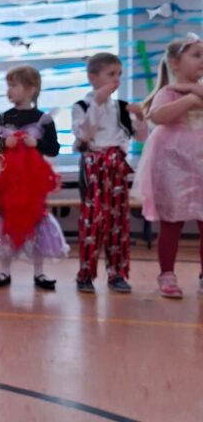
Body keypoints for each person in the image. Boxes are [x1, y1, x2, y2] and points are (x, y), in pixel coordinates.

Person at [131, 34, 203, 297]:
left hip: (200, 164)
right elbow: (158, 116)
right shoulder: (168, 92)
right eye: (196, 55)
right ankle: (167, 274)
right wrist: (190, 100)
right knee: (172, 222)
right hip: (174, 165)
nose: (202, 61)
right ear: (174, 63)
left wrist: (193, 90)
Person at [71, 52, 148, 294]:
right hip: (94, 166)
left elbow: (141, 137)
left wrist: (140, 117)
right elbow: (85, 134)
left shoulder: (122, 107)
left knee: (118, 220)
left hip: (116, 166)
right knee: (93, 220)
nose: (116, 79)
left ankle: (117, 274)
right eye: (111, 74)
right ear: (92, 78)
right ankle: (85, 274)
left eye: (119, 74)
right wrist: (97, 103)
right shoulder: (81, 106)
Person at [0, 66, 68, 290]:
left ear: (31, 89)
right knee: (7, 220)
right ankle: (4, 270)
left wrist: (37, 143)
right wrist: (4, 143)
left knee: (36, 221)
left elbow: (53, 149)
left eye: (14, 85)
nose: (9, 91)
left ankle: (39, 272)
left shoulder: (43, 119)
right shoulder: (2, 118)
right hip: (8, 182)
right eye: (8, 86)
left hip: (33, 183)